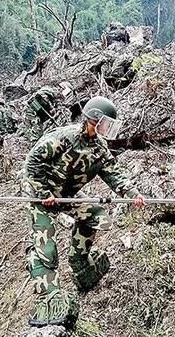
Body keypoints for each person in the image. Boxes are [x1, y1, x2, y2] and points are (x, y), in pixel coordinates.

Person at [22, 96, 145, 328]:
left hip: (66, 194)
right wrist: (42, 192)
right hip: (41, 195)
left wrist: (133, 194)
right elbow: (32, 163)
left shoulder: (99, 148)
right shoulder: (63, 138)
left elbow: (113, 174)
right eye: (106, 123)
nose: (108, 129)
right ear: (94, 119)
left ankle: (80, 264)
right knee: (46, 250)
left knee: (96, 215)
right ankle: (47, 295)